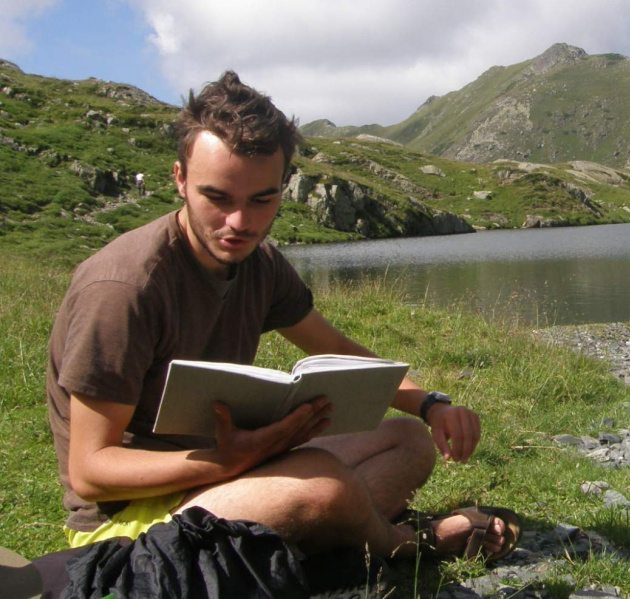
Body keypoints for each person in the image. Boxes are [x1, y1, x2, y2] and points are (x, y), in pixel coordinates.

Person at [46, 71, 520, 563]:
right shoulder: (123, 289)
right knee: (322, 486)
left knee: (407, 441)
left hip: (227, 478)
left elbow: (335, 349)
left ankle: (321, 540)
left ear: (282, 186)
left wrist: (430, 405)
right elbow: (91, 472)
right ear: (180, 179)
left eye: (262, 200)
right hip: (128, 527)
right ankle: (411, 546)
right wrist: (227, 460)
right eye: (217, 198)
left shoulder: (259, 263)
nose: (239, 223)